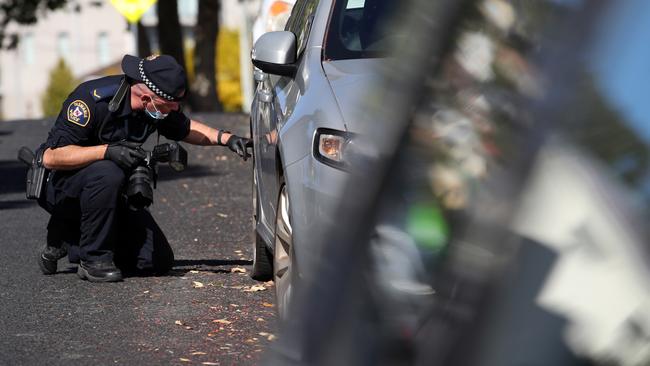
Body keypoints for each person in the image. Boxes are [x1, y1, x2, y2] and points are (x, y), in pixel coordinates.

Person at [36, 54, 253, 283]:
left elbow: (186, 128)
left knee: (156, 261)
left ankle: (74, 237)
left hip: (109, 195)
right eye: (169, 106)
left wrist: (227, 139)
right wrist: (107, 151)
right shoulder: (91, 101)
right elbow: (50, 158)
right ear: (147, 97)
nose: (173, 110)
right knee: (108, 171)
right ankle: (93, 259)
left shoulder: (156, 108)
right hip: (64, 189)